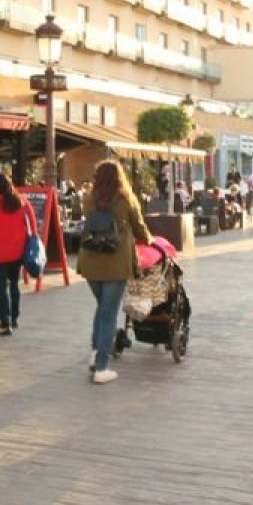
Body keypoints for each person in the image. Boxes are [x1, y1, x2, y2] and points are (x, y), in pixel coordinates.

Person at [77, 158, 151, 385]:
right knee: (109, 313)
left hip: (90, 263)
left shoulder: (88, 199)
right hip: (116, 263)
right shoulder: (126, 199)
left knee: (102, 308)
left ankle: (94, 351)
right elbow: (139, 228)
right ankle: (101, 367)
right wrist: (149, 239)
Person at [0, 172, 32, 335]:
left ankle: (5, 322)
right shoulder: (20, 201)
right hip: (17, 251)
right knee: (14, 284)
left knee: (0, 288)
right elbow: (31, 223)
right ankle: (14, 319)